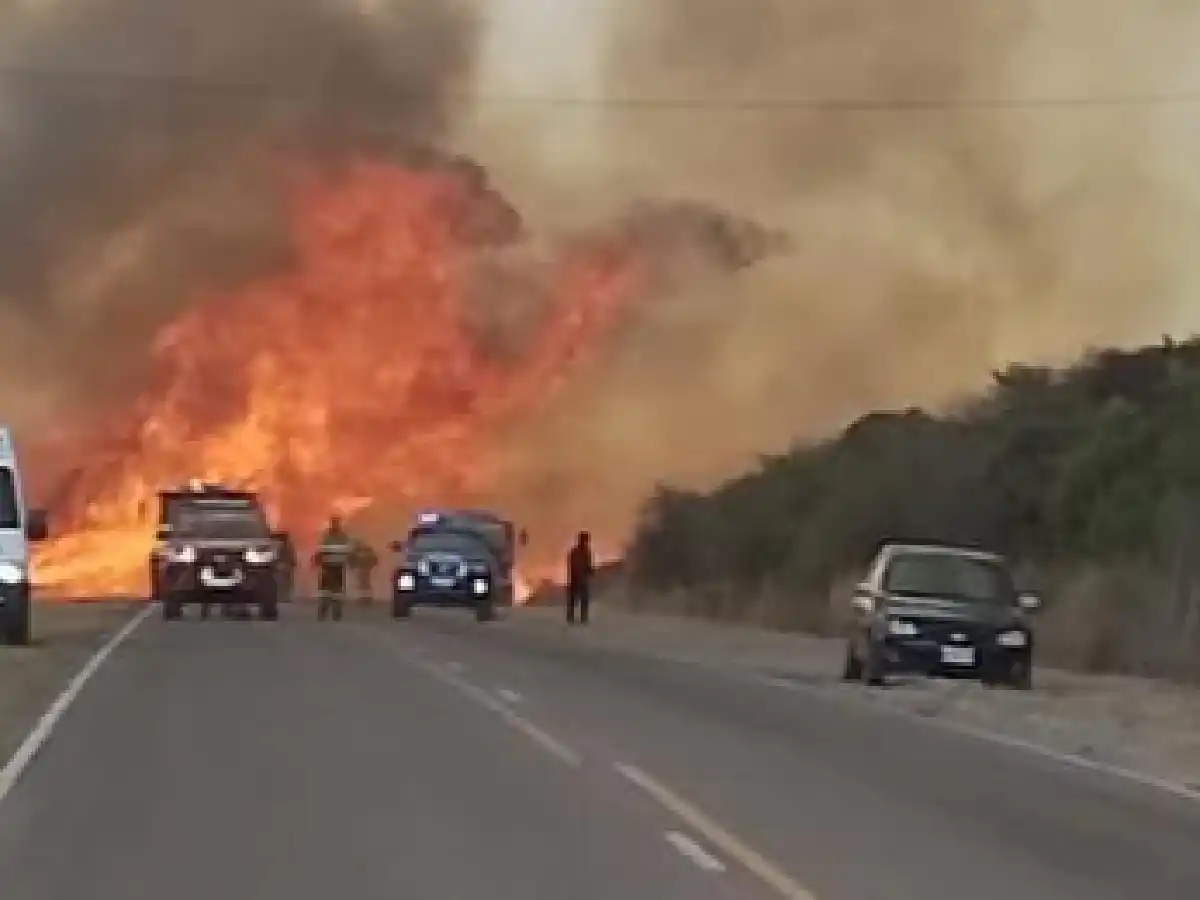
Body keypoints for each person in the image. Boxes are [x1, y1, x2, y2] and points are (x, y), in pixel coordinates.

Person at [313, 515, 355, 621]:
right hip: (328, 566)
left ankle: (335, 612)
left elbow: (349, 551)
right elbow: (320, 550)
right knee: (326, 591)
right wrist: (317, 561)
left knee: (335, 591)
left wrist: (351, 562)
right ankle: (325, 611)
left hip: (336, 567)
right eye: (334, 523)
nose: (335, 525)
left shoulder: (337, 537)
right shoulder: (331, 536)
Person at [566, 531, 594, 625]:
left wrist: (590, 570)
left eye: (586, 541)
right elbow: (573, 565)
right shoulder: (575, 552)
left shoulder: (586, 552)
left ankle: (583, 617)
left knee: (583, 599)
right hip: (576, 579)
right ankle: (571, 617)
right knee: (574, 600)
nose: (586, 543)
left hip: (583, 579)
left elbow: (588, 564)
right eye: (585, 540)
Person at [351, 537, 378, 605]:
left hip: (363, 568)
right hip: (364, 568)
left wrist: (352, 566)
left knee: (363, 582)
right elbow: (374, 559)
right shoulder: (363, 550)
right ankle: (365, 596)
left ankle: (365, 597)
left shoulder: (358, 551)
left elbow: (351, 559)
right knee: (364, 582)